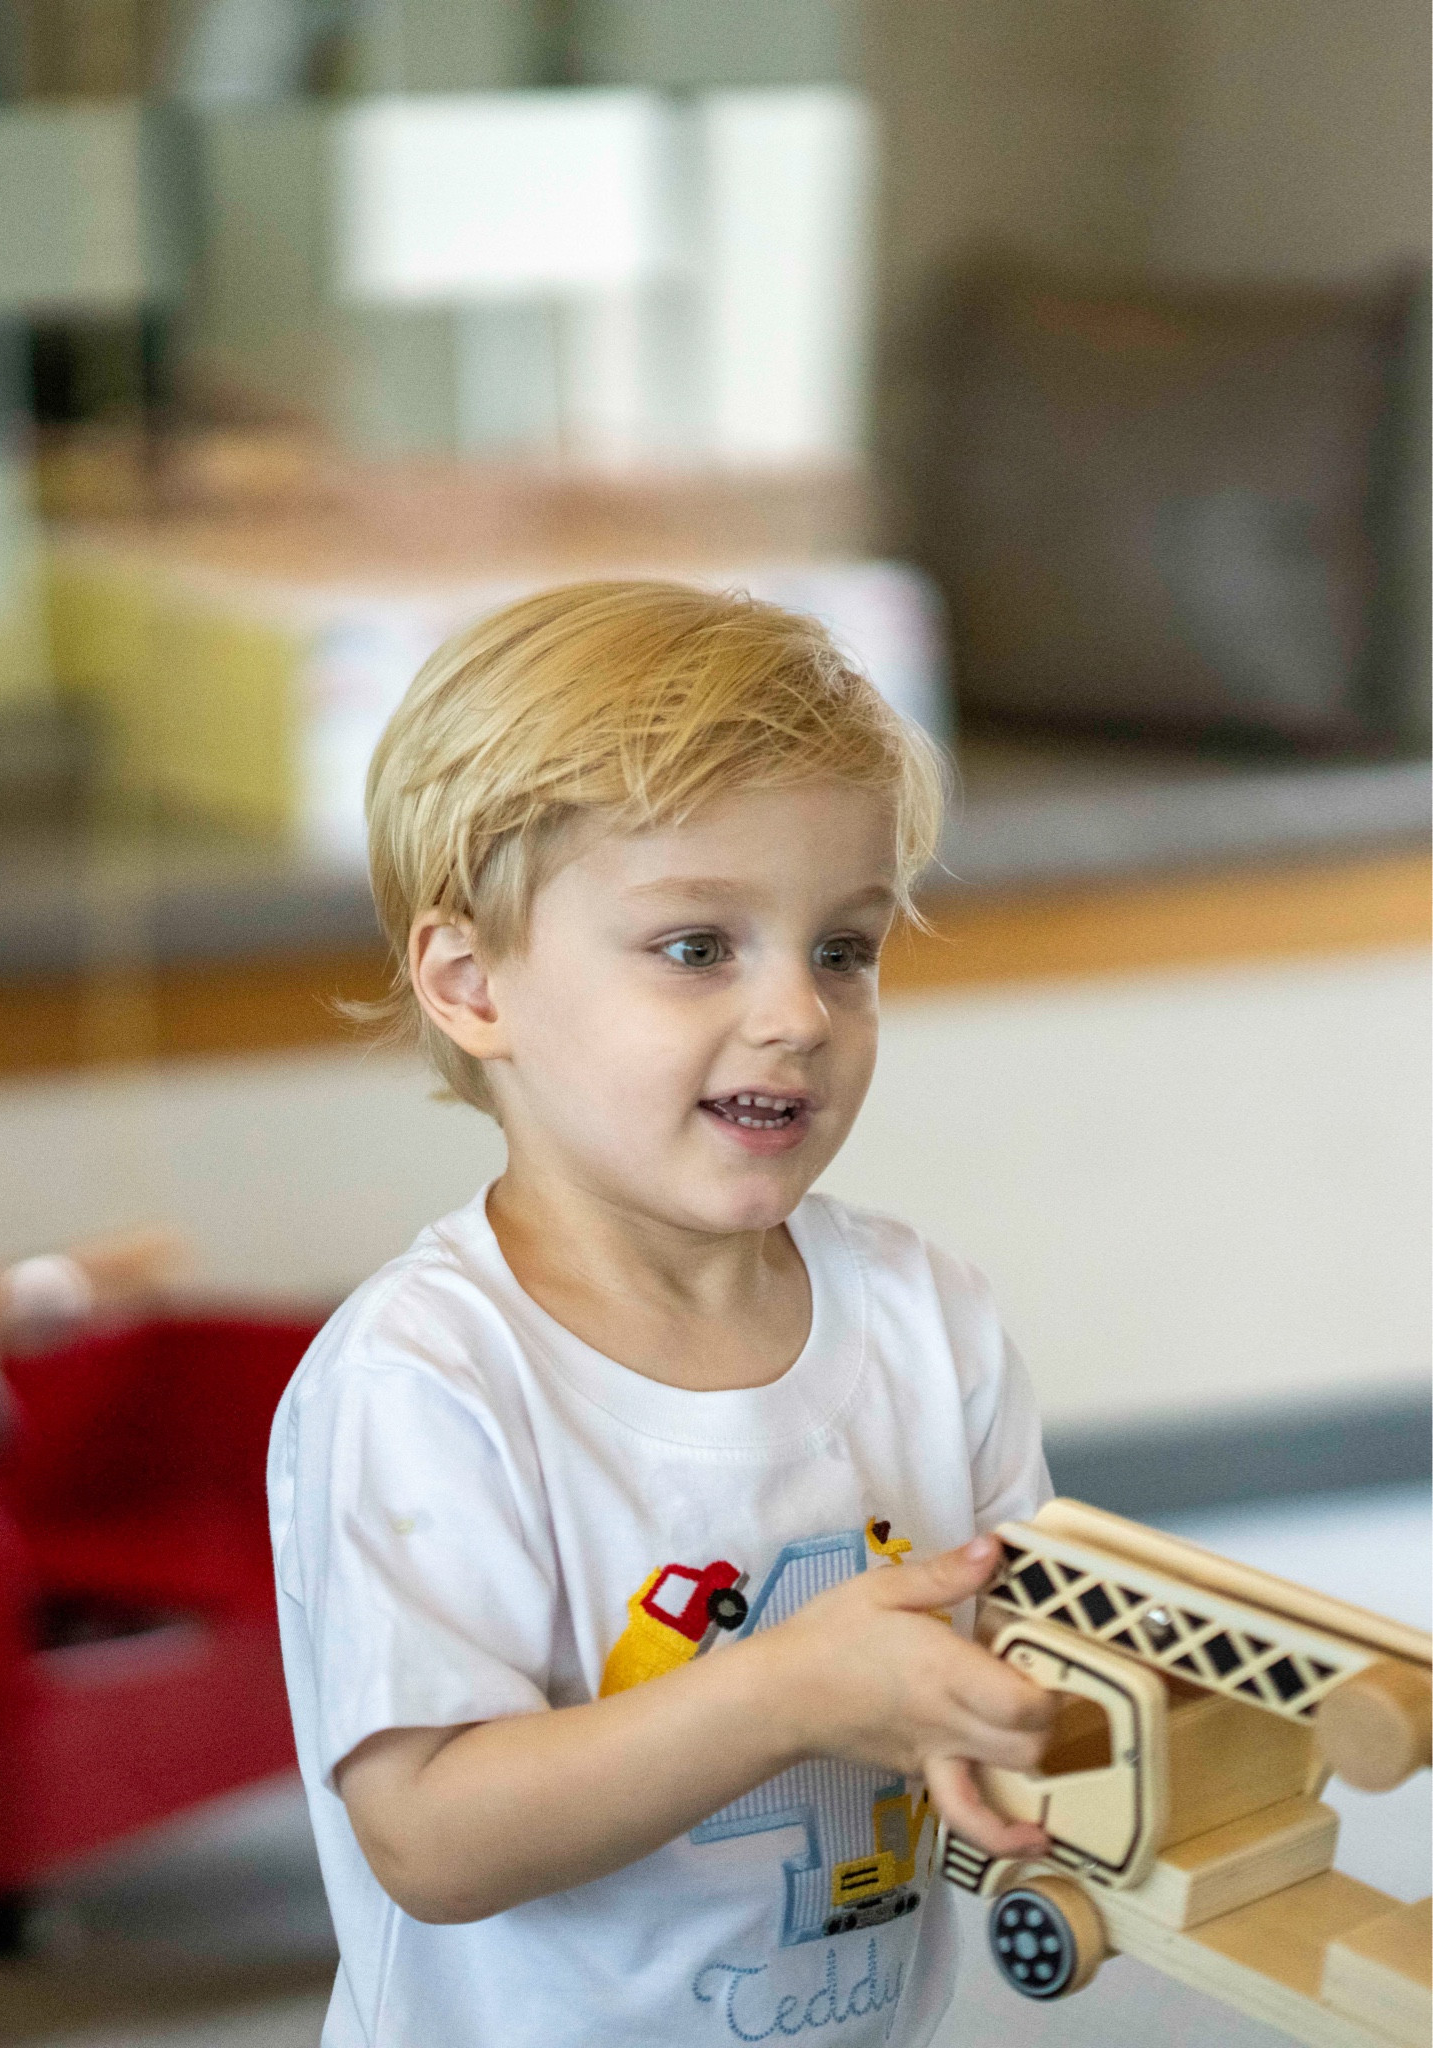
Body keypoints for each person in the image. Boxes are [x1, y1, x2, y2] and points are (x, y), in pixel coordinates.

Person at [269, 581, 1057, 2048]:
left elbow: (1027, 1650)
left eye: (843, 949)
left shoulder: (925, 1314)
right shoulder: (427, 1372)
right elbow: (431, 1841)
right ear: (471, 985)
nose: (799, 1015)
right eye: (699, 948)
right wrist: (787, 1696)